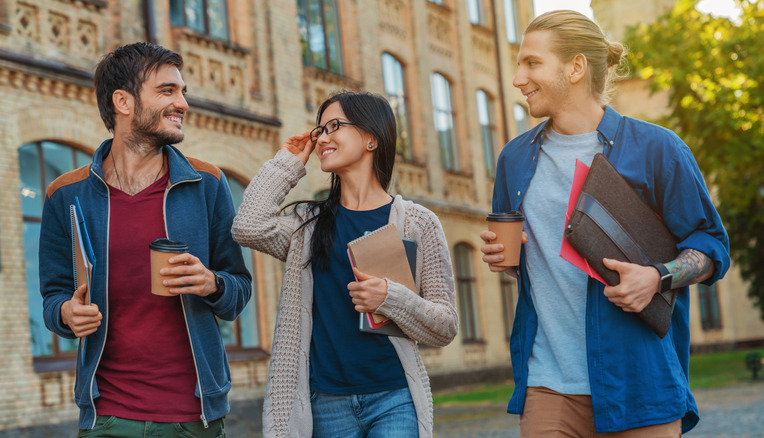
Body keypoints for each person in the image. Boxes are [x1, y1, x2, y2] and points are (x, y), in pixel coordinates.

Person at [479, 10, 730, 437]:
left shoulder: (657, 149)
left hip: (639, 380)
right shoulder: (513, 159)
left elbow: (711, 247)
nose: (518, 78)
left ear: (575, 67)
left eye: (532, 63)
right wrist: (503, 258)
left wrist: (657, 277)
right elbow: (521, 257)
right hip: (549, 384)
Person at [39, 42, 252, 436]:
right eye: (167, 91)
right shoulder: (66, 195)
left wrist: (212, 283)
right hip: (107, 416)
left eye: (183, 91)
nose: (183, 103)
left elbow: (239, 290)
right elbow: (53, 296)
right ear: (123, 101)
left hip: (195, 415)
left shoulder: (207, 184)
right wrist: (68, 314)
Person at [232, 91, 458, 437]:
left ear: (371, 138)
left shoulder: (416, 222)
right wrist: (288, 162)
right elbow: (248, 226)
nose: (322, 137)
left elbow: (445, 326)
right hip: (326, 403)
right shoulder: (308, 224)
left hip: (394, 397)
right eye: (319, 129)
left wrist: (390, 297)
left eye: (334, 126)